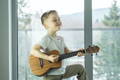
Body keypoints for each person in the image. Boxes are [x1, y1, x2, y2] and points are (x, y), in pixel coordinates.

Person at [30, 10, 88, 80]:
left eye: (59, 19)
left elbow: (67, 52)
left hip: (63, 71)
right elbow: (33, 51)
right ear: (46, 25)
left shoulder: (60, 39)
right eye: (54, 20)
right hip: (51, 76)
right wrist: (48, 58)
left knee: (80, 68)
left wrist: (77, 52)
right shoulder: (46, 39)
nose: (58, 21)